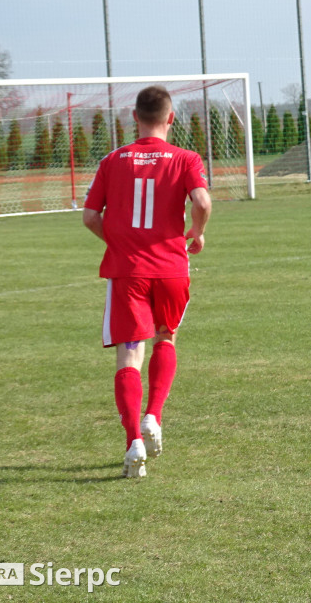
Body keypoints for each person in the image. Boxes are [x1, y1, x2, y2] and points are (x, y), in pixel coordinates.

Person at [83, 85, 212, 479]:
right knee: (166, 338)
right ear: (171, 118)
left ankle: (132, 443)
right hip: (171, 268)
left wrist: (120, 241)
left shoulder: (112, 160)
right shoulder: (186, 158)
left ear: (133, 117)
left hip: (128, 272)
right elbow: (203, 202)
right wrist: (196, 232)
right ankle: (153, 416)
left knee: (128, 355)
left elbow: (90, 216)